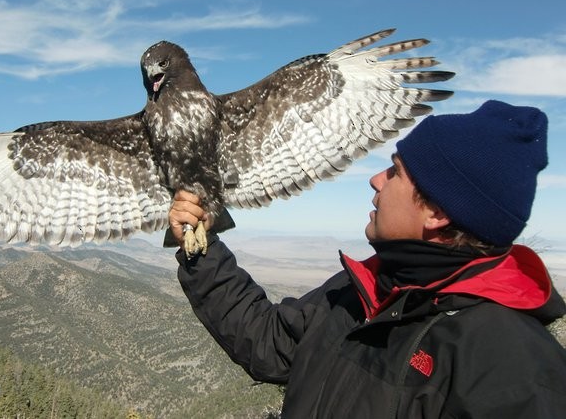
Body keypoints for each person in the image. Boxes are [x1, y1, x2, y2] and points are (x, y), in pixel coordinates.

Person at [168, 100, 566, 418]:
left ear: (436, 213)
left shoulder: (514, 370)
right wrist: (202, 248)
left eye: (395, 172)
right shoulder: (366, 290)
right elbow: (269, 343)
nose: (376, 179)